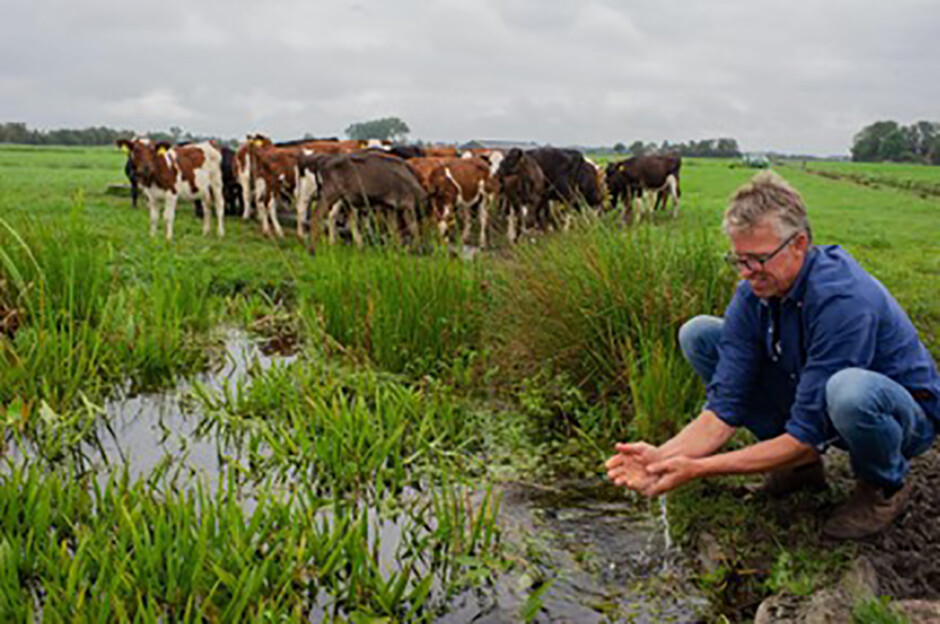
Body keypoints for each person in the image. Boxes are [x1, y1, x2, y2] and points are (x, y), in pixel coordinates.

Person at [605, 171, 940, 539]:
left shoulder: (843, 301)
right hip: (822, 399)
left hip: (900, 416)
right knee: (700, 334)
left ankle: (883, 485)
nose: (747, 273)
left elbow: (805, 435)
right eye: (739, 260)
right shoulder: (755, 291)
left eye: (758, 259)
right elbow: (723, 410)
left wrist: (699, 467)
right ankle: (799, 471)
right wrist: (661, 457)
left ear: (798, 244)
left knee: (850, 392)